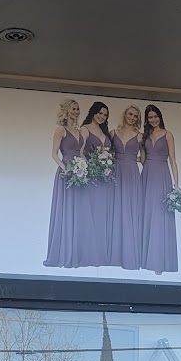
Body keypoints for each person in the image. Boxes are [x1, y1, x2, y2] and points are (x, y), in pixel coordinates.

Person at [43, 97, 83, 268]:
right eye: (73, 109)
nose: (76, 112)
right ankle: (62, 254)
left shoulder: (79, 131)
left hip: (80, 174)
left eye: (77, 109)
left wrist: (85, 168)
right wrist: (65, 168)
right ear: (66, 111)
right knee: (65, 211)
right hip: (66, 173)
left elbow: (81, 153)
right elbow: (54, 154)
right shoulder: (61, 130)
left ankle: (75, 253)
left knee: (77, 212)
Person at [73, 100, 113, 268]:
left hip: (105, 180)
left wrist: (106, 164)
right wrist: (92, 165)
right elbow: (79, 152)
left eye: (105, 115)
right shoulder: (85, 129)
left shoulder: (105, 132)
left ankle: (101, 254)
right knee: (90, 215)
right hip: (92, 179)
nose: (102, 117)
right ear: (93, 112)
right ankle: (87, 254)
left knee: (102, 216)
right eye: (100, 113)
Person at [140, 103, 179, 274]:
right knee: (147, 213)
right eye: (150, 117)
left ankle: (160, 262)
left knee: (161, 215)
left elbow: (173, 160)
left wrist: (177, 184)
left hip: (163, 175)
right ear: (147, 120)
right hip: (147, 175)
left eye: (155, 116)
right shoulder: (144, 136)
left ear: (160, 117)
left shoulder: (168, 135)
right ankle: (146, 259)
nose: (153, 120)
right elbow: (142, 159)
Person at [109, 102, 144, 269]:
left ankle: (130, 254)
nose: (132, 118)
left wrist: (130, 159)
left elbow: (144, 158)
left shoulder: (140, 136)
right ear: (125, 114)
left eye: (135, 116)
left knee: (130, 209)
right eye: (130, 114)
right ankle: (114, 255)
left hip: (131, 173)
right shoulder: (113, 133)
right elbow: (108, 153)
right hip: (116, 172)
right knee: (116, 209)